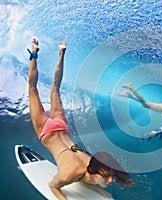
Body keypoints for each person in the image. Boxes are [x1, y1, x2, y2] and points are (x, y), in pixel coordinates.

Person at [27, 38, 135, 200]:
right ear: (94, 170)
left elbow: (84, 178)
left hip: (61, 127)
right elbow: (53, 185)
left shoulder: (91, 165)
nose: (110, 180)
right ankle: (39, 52)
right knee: (38, 88)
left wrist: (104, 194)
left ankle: (56, 53)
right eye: (106, 177)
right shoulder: (70, 174)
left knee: (48, 87)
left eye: (109, 176)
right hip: (47, 131)